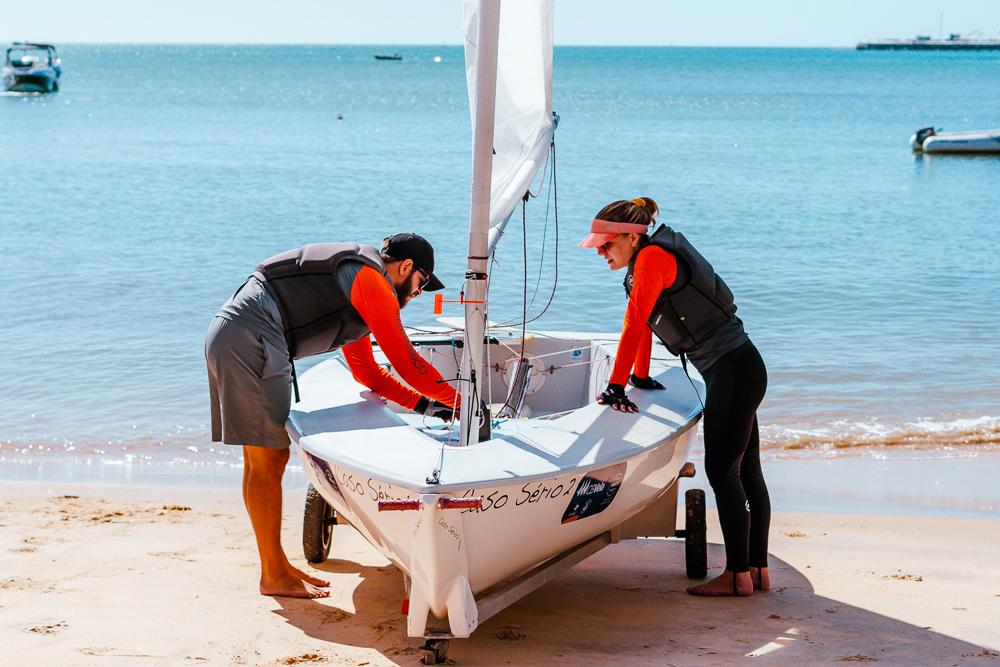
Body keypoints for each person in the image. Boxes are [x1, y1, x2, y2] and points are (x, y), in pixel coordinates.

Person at [205, 233, 460, 599]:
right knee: (268, 460)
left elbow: (367, 372)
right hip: (252, 335)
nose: (420, 293)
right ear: (405, 267)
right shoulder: (372, 283)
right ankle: (273, 574)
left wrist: (426, 406)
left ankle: (274, 565)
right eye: (421, 282)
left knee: (262, 461)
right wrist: (464, 404)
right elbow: (407, 362)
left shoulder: (357, 287)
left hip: (236, 332)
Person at [579, 198, 769, 597]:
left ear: (632, 238)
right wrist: (639, 376)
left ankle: (737, 578)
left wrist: (615, 386)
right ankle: (757, 570)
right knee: (747, 471)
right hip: (742, 368)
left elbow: (633, 324)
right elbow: (647, 325)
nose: (600, 251)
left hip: (731, 372)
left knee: (723, 472)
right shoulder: (643, 264)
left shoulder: (650, 260)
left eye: (606, 244)